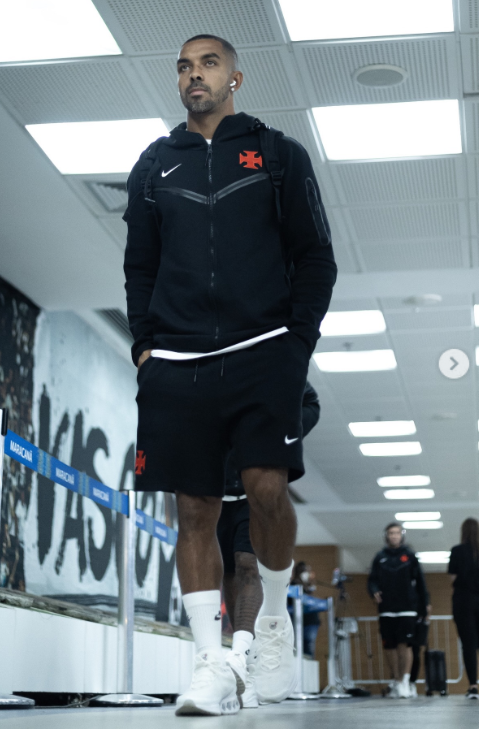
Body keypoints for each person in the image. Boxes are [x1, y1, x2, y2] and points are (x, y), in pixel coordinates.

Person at [124, 33, 337, 716]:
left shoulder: (276, 154)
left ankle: (271, 617)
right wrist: (144, 346)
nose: (195, 75)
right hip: (178, 359)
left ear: (234, 78)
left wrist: (295, 344)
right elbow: (140, 265)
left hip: (263, 349)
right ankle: (210, 664)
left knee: (266, 489)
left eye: (208, 64)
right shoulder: (154, 164)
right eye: (184, 66)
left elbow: (315, 256)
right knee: (193, 509)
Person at [218, 382, 320, 708]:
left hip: (253, 488)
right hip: (212, 490)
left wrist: (276, 436)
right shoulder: (204, 360)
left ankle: (239, 652)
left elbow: (310, 401)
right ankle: (246, 662)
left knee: (248, 565)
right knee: (229, 573)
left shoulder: (265, 361)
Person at [368, 523, 429, 699]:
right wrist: (373, 591)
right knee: (390, 646)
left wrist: (425, 606)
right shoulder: (380, 557)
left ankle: (404, 680)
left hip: (407, 608)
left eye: (397, 533)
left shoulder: (409, 556)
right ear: (386, 536)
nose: (394, 536)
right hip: (387, 608)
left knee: (405, 645)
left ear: (402, 535)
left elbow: (421, 582)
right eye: (391, 533)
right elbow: (372, 580)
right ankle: (395, 679)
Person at [448, 517, 479, 699]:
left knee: (469, 645)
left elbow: (453, 577)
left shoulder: (457, 551)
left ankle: (473, 686)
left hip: (463, 601)